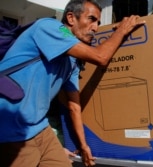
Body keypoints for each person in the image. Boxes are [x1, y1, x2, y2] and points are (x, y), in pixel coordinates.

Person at [0, 0, 145, 166]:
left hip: (40, 128)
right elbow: (101, 57)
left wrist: (84, 146)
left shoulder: (72, 61)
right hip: (12, 130)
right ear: (70, 18)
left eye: (98, 22)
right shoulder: (49, 27)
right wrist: (121, 31)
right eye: (91, 19)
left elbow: (74, 105)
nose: (95, 28)